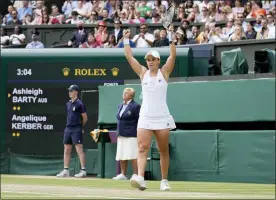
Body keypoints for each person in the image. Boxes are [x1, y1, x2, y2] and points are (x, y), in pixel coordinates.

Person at [123, 25, 176, 191]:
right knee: (142, 148)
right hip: (145, 117)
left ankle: (164, 180)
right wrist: (126, 39)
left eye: (153, 59)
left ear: (158, 61)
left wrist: (172, 35)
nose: (150, 62)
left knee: (163, 150)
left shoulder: (165, 72)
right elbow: (129, 57)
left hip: (162, 116)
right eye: (148, 59)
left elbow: (173, 54)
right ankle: (140, 177)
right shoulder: (142, 73)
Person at [56, 85, 88, 178]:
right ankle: (66, 170)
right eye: (69, 91)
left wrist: (79, 126)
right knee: (66, 149)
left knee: (79, 149)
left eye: (71, 91)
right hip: (68, 129)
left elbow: (85, 118)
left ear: (76, 92)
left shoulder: (80, 104)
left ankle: (83, 170)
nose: (69, 92)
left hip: (76, 129)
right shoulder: (68, 103)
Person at [113, 88, 141, 180]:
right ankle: (123, 174)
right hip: (120, 134)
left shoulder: (135, 106)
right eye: (124, 92)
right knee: (122, 154)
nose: (124, 94)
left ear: (131, 95)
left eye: (126, 93)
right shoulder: (120, 105)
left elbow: (139, 120)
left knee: (133, 155)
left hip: (132, 134)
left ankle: (136, 174)